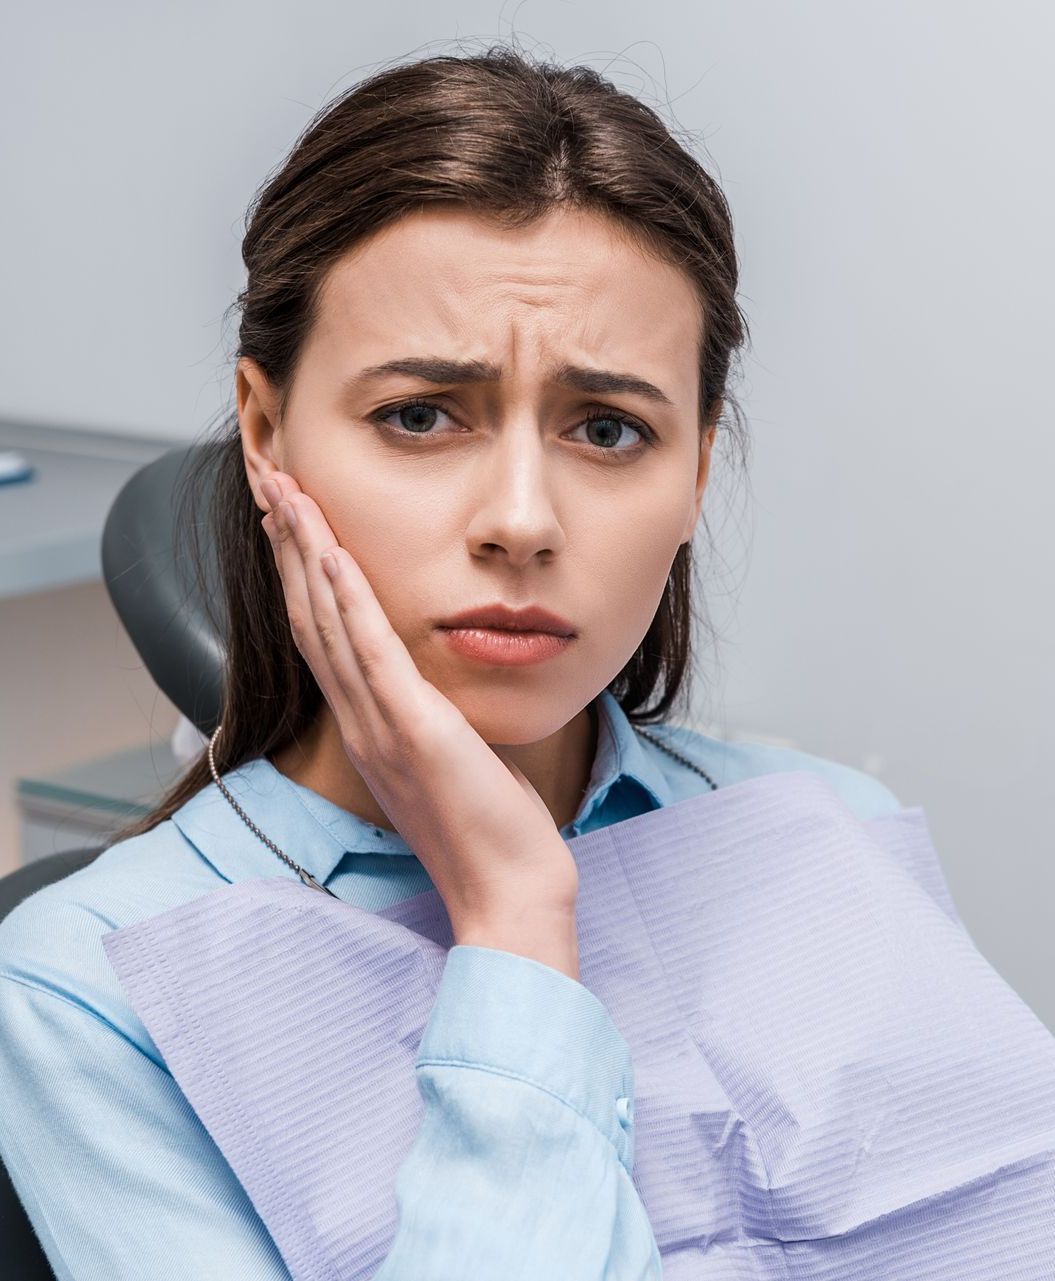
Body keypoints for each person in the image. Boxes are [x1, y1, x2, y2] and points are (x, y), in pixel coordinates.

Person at [0, 45, 907, 1278]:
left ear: (694, 473)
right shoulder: (87, 988)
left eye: (608, 428)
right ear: (264, 435)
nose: (521, 520)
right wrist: (511, 919)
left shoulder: (834, 836)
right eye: (419, 415)